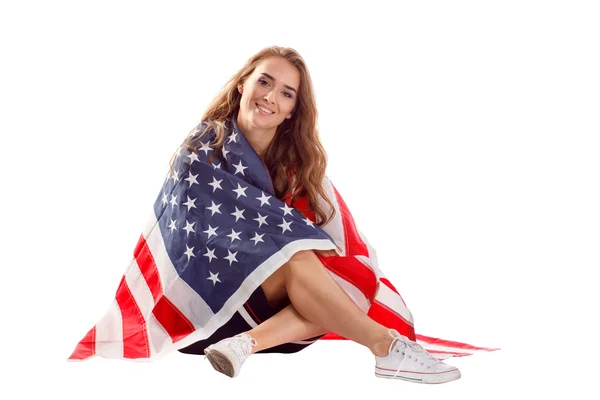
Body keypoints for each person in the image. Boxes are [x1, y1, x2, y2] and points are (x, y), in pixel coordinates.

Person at [171, 46, 461, 384]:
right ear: (242, 85)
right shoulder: (200, 152)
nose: (270, 97)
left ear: (293, 109)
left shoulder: (298, 167)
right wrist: (287, 244)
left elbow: (331, 240)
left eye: (286, 93)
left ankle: (245, 345)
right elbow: (193, 244)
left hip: (273, 322)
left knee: (341, 283)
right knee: (296, 255)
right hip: (206, 310)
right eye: (264, 82)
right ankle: (385, 346)